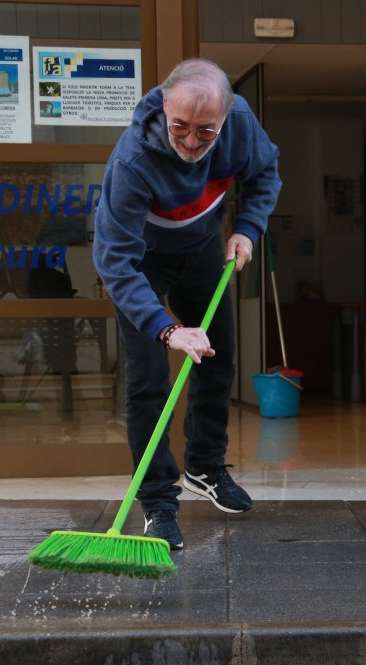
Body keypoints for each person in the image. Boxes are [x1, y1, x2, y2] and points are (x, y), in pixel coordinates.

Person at [93, 58, 281, 550]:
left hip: (200, 250)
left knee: (218, 361)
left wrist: (247, 227)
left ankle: (204, 467)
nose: (192, 141)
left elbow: (264, 173)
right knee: (150, 381)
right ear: (163, 108)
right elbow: (115, 263)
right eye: (180, 127)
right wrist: (168, 329)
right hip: (143, 262)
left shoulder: (240, 124)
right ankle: (158, 502)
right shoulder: (133, 161)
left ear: (225, 116)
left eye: (205, 130)